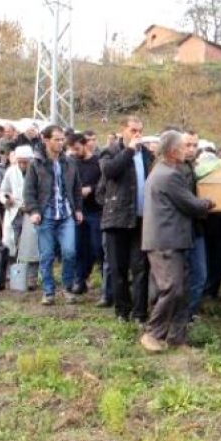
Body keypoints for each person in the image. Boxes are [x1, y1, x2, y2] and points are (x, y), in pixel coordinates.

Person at [139, 130, 214, 353]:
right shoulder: (169, 175)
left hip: (174, 239)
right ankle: (153, 333)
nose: (188, 150)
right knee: (172, 288)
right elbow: (190, 204)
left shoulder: (163, 170)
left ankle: (176, 338)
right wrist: (208, 203)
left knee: (182, 289)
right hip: (165, 241)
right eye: (183, 146)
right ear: (173, 151)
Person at [100, 116, 154, 324]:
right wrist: (129, 150)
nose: (137, 134)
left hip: (141, 219)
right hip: (117, 218)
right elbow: (109, 171)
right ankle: (122, 311)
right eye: (133, 130)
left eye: (140, 130)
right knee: (118, 268)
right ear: (123, 130)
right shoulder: (111, 151)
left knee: (141, 268)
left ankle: (140, 313)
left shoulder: (147, 154)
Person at [23, 125, 83, 306]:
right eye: (56, 139)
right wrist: (34, 211)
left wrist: (78, 209)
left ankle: (67, 287)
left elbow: (77, 188)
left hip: (66, 213)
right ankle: (48, 291)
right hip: (45, 214)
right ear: (45, 140)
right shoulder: (36, 163)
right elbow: (29, 191)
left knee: (70, 252)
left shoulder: (69, 162)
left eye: (62, 139)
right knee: (47, 254)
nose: (60, 142)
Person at [67, 132, 103, 296]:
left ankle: (106, 284)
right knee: (79, 248)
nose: (75, 152)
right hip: (79, 211)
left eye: (77, 149)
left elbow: (105, 183)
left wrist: (91, 189)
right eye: (72, 150)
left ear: (84, 144)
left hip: (96, 211)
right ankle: (80, 280)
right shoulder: (72, 162)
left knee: (99, 248)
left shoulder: (98, 162)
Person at [0, 146, 39, 289]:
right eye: (20, 162)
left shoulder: (39, 171)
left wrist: (31, 206)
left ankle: (31, 277)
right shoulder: (11, 171)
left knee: (32, 246)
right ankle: (13, 275)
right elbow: (3, 190)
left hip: (32, 213)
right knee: (12, 244)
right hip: (14, 212)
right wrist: (6, 199)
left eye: (25, 162)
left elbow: (44, 193)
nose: (22, 165)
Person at [180, 131, 208, 319]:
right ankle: (183, 315)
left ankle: (188, 314)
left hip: (195, 229)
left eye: (194, 145)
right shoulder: (174, 169)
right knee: (187, 276)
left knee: (199, 274)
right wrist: (206, 205)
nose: (191, 149)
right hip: (180, 231)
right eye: (187, 145)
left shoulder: (191, 167)